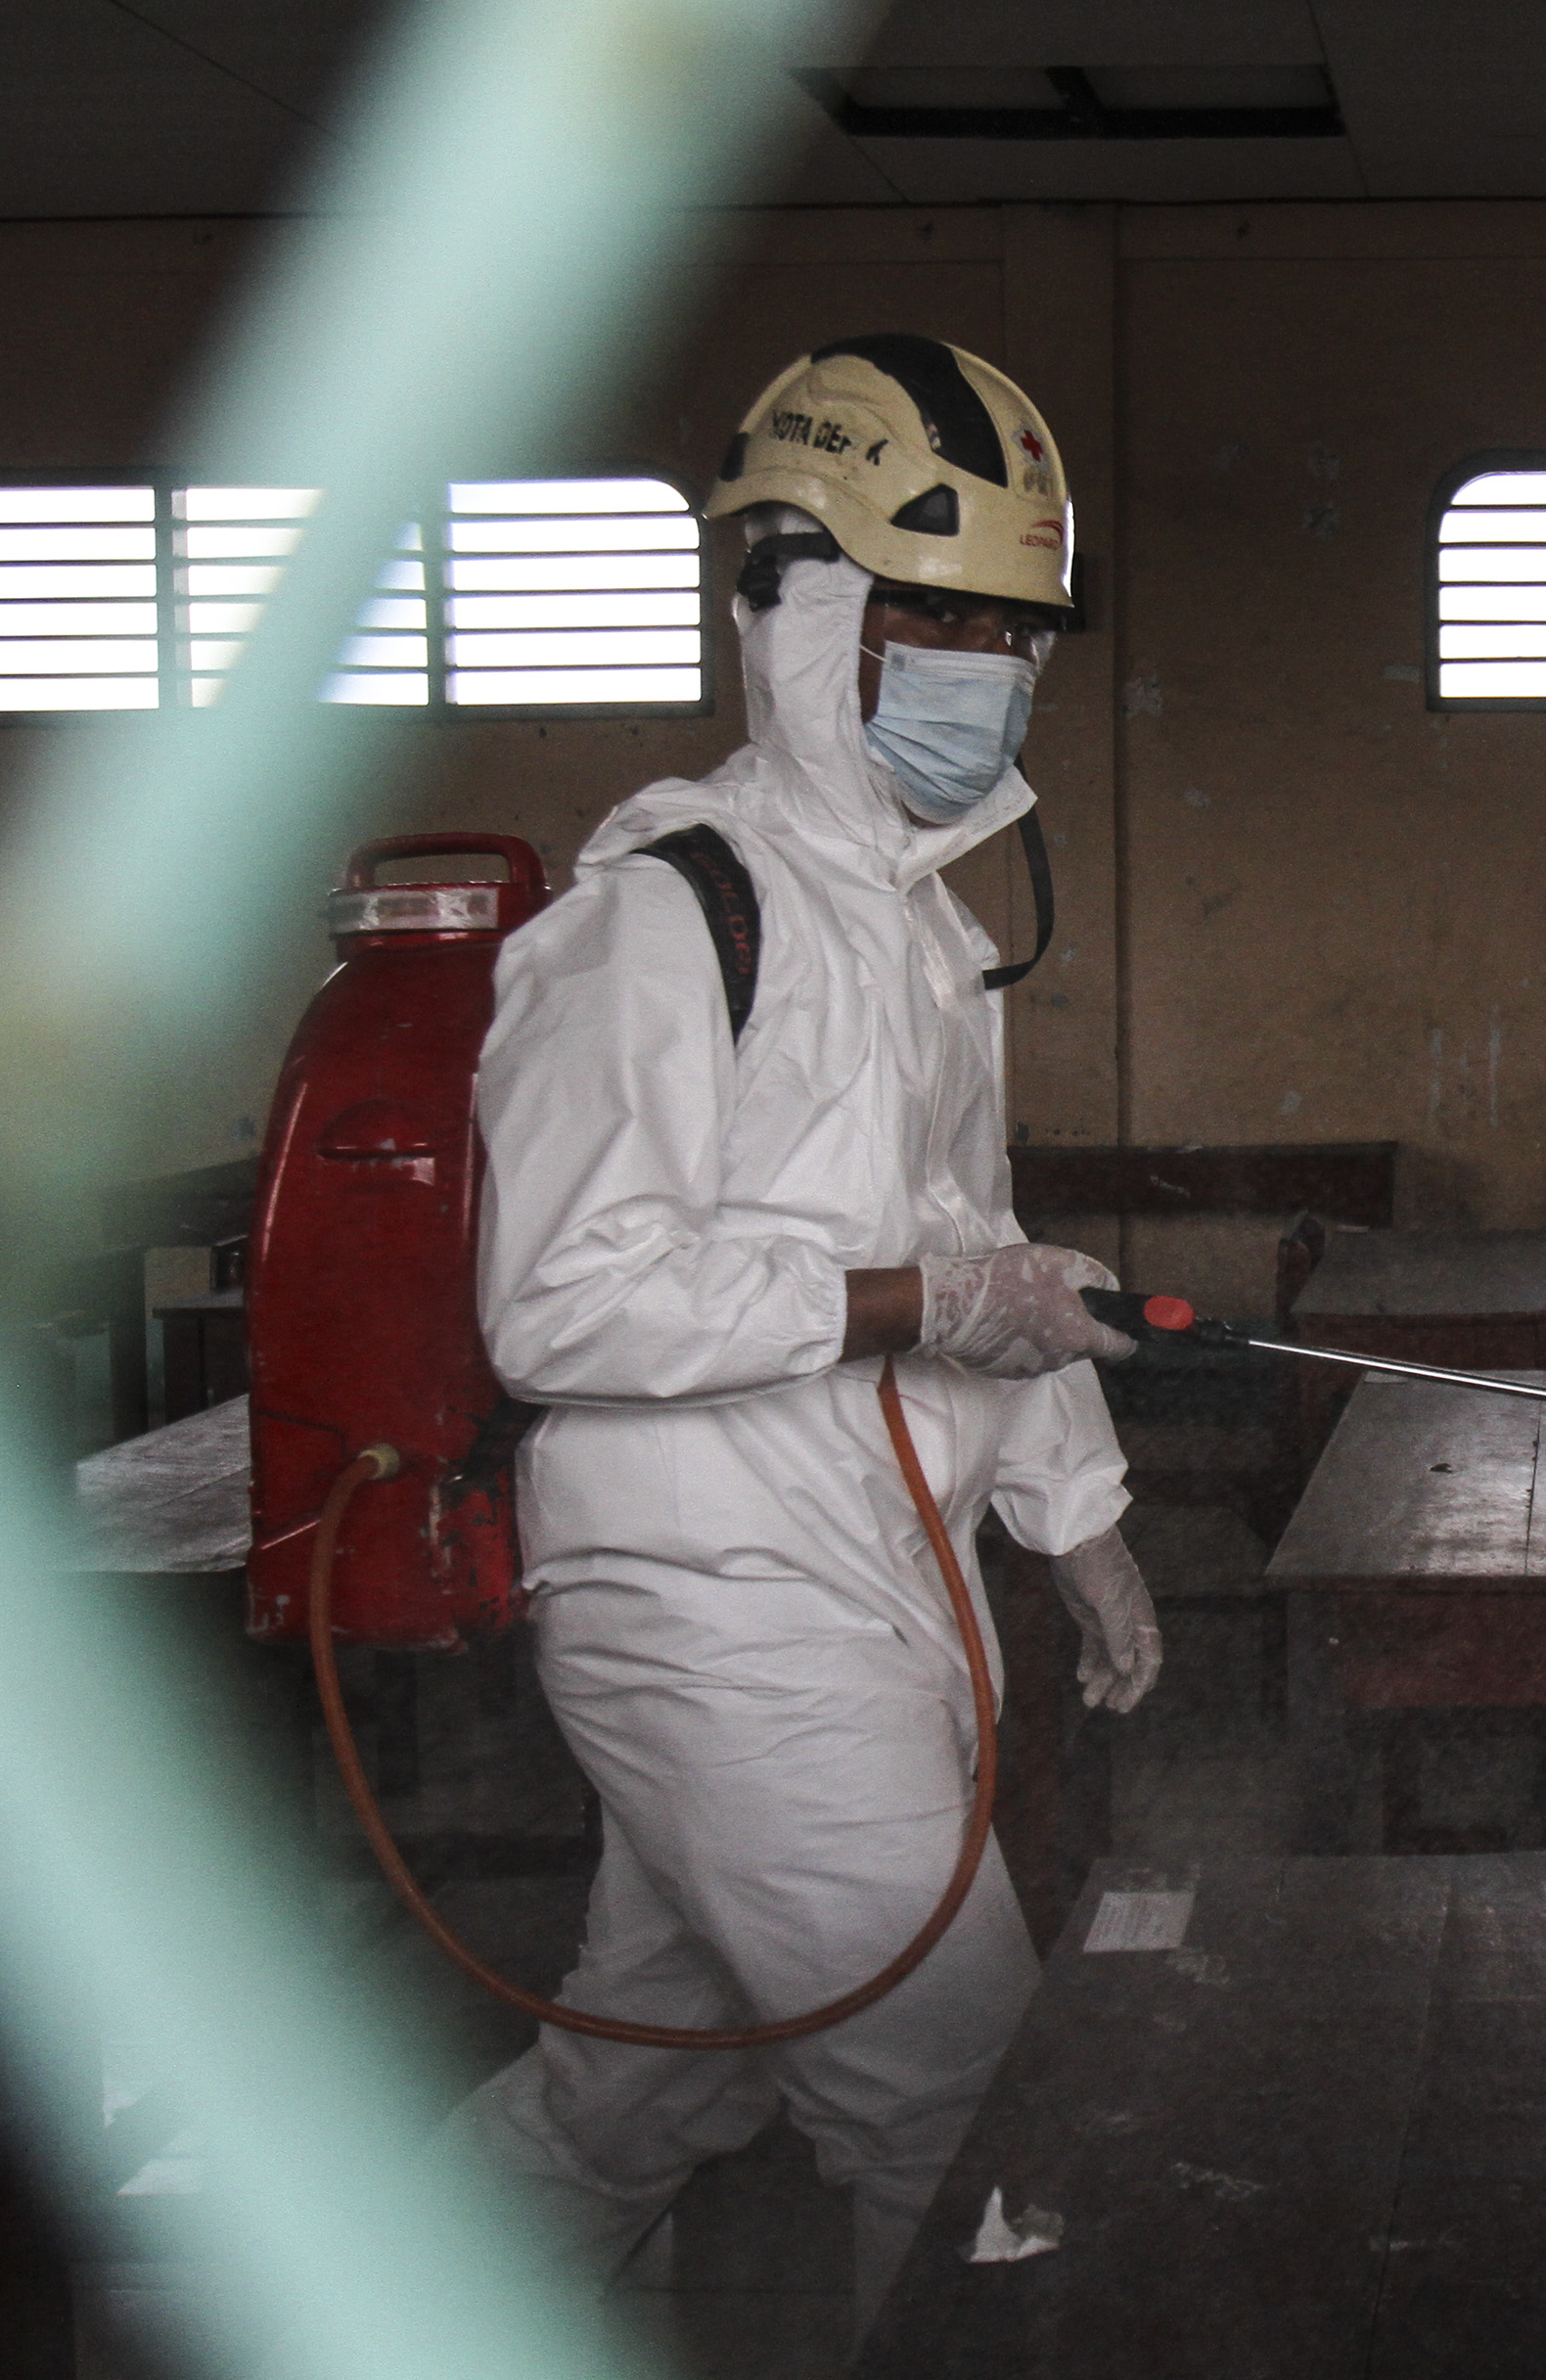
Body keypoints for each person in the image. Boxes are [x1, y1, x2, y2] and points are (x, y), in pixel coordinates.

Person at [447, 334, 1154, 2317]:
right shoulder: (662, 913)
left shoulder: (923, 934)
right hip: (707, 1592)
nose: (984, 667)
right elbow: (563, 1297)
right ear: (795, 604)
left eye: (1013, 627)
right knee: (961, 2112)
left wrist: (1068, 1511)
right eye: (934, 610)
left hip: (863, 1571)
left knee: (641, 2091)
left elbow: (971, 1240)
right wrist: (937, 1297)